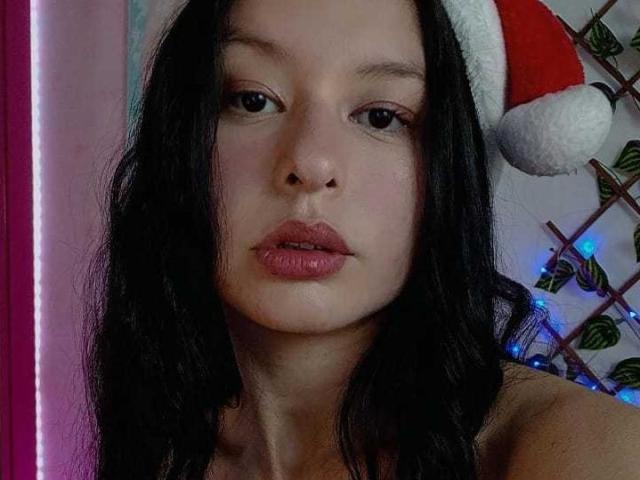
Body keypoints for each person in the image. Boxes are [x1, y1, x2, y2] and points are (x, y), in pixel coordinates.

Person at [80, 0, 640, 479]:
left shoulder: (578, 450)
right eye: (252, 100)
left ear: (452, 170)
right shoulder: (157, 443)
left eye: (381, 117)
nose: (310, 163)